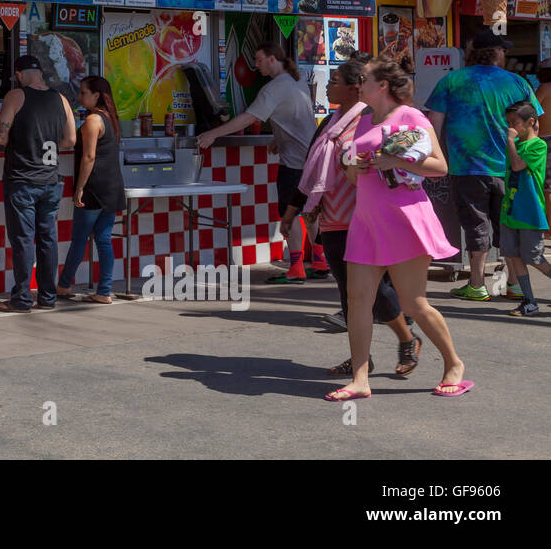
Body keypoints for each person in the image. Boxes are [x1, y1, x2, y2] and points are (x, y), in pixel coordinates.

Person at [325, 56, 469, 401]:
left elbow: (439, 167)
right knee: (357, 300)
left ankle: (454, 364)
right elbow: (353, 176)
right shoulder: (362, 122)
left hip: (404, 219)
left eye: (365, 79)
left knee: (414, 302)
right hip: (367, 220)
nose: (359, 84)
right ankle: (360, 379)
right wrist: (353, 166)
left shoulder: (411, 116)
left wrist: (397, 160)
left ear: (383, 86)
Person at [298, 56, 421, 376]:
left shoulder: (369, 118)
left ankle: (407, 339)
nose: (328, 85)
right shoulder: (331, 120)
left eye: (334, 80)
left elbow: (394, 160)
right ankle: (360, 358)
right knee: (348, 294)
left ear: (355, 87)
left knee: (375, 290)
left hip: (363, 214)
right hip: (333, 215)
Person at [426, 28, 542, 302]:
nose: (505, 54)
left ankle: (477, 284)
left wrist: (436, 159)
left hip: (467, 167)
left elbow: (434, 125)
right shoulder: (518, 83)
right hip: (509, 168)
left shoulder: (451, 81)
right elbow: (533, 124)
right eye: (503, 49)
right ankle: (513, 283)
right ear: (494, 53)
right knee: (507, 226)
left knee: (475, 226)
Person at [199, 43, 323, 283]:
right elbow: (294, 118)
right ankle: (320, 261)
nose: (255, 65)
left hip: (295, 162)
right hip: (310, 157)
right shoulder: (295, 82)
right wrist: (279, 138)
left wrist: (214, 134)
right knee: (310, 210)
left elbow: (249, 118)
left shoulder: (273, 88)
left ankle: (296, 268)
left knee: (292, 211)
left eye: (259, 59)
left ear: (273, 59)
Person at [0, 54, 77, 313]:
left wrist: (22, 142)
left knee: (23, 240)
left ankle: (21, 299)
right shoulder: (61, 99)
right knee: (47, 239)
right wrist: (46, 146)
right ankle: (48, 298)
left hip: (22, 179)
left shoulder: (16, 96)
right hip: (51, 180)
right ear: (40, 73)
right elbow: (71, 139)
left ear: (19, 74)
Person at [57, 76, 123, 304]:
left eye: (84, 92)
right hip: (112, 186)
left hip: (94, 188)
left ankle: (64, 286)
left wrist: (79, 189)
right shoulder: (110, 118)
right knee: (103, 239)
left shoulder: (93, 120)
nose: (80, 96)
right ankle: (103, 291)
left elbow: (89, 156)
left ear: (96, 95)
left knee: (79, 239)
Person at [500, 100, 550, 317]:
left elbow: (518, 165)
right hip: (510, 211)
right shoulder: (514, 144)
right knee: (513, 256)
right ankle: (529, 301)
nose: (511, 127)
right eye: (508, 123)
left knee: (534, 257)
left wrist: (511, 142)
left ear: (531, 122)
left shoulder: (538, 145)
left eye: (515, 123)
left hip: (530, 213)